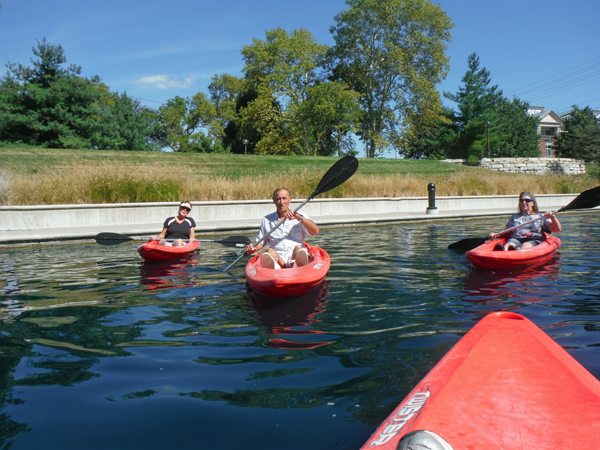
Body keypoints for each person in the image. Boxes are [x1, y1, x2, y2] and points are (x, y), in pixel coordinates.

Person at [245, 188, 319, 269]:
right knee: (269, 251)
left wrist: (299, 218)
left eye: (284, 198)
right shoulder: (267, 220)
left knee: (298, 248)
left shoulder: (300, 215)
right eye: (278, 199)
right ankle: (275, 267)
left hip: (295, 255)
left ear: (290, 199)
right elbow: (261, 243)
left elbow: (315, 231)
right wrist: (253, 248)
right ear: (273, 200)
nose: (282, 202)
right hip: (278, 258)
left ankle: (297, 264)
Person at [489, 191, 562, 251]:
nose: (524, 202)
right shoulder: (514, 217)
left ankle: (517, 252)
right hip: (516, 239)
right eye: (521, 200)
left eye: (527, 200)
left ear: (533, 203)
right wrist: (496, 235)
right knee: (509, 245)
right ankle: (505, 252)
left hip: (534, 239)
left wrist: (553, 217)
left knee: (526, 245)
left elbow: (556, 229)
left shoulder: (540, 217)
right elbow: (507, 232)